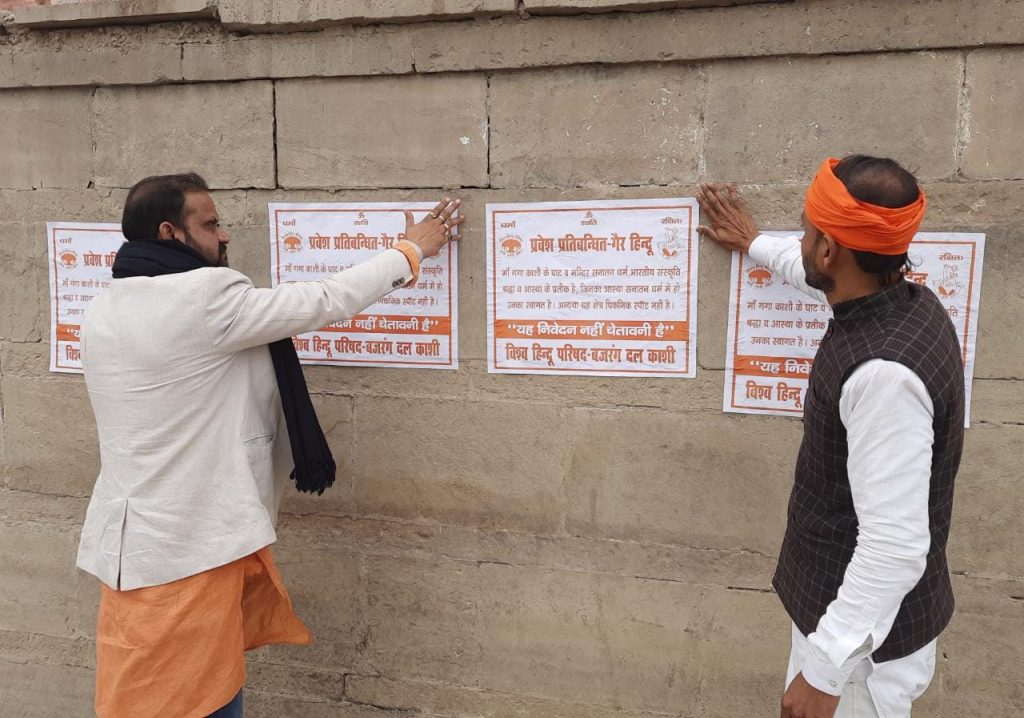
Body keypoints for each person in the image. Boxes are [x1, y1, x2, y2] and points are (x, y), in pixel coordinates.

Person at [75, 172, 463, 717]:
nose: (225, 235)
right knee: (200, 700)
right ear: (169, 231)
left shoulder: (103, 305)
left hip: (129, 550)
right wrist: (410, 250)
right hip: (189, 550)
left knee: (145, 694)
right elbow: (323, 299)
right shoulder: (204, 296)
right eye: (210, 224)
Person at [696, 156, 964, 718]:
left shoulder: (884, 376)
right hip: (856, 631)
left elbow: (894, 546)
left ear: (827, 251)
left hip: (859, 660)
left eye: (807, 230)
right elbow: (817, 275)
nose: (802, 240)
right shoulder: (907, 303)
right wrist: (755, 243)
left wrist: (823, 672)